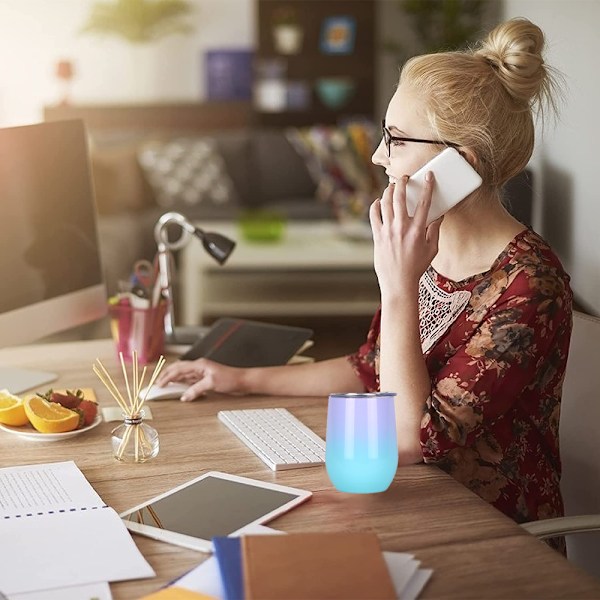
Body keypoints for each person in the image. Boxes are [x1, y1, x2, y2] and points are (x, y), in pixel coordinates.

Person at [157, 17, 572, 541]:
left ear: (458, 163)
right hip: (406, 504)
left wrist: (398, 286)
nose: (378, 156)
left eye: (395, 140)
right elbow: (371, 370)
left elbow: (407, 439)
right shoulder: (427, 245)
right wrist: (239, 380)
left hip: (488, 535)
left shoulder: (531, 283)